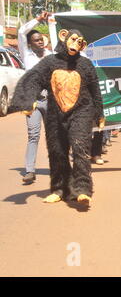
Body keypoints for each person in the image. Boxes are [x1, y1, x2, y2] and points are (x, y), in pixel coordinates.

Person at [18, 11, 52, 184]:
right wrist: (38, 19)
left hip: (51, 100)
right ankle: (30, 170)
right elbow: (21, 32)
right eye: (36, 40)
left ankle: (57, 167)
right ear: (30, 44)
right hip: (32, 101)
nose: (40, 42)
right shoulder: (26, 55)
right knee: (33, 135)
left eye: (41, 40)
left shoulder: (50, 55)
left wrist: (53, 21)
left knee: (53, 135)